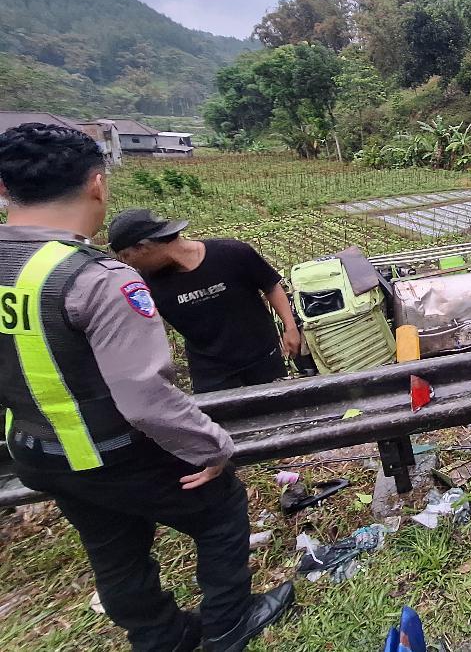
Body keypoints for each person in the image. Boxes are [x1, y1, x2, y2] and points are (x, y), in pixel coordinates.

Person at [0, 123, 293, 652]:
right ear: (96, 184)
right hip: (114, 447)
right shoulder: (96, 278)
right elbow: (143, 396)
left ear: (4, 191)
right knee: (221, 510)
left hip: (36, 451)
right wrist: (212, 446)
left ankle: (159, 638)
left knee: (112, 547)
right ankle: (229, 625)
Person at [108, 210, 301, 394]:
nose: (128, 264)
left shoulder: (232, 253)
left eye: (126, 256)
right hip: (210, 370)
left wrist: (290, 327)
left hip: (262, 357)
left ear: (144, 246)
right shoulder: (145, 283)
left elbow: (270, 286)